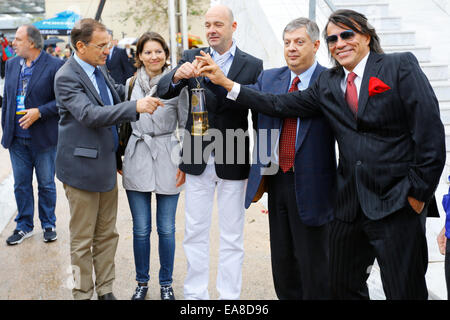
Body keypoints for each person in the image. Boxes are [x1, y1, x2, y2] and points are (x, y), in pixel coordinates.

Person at [197, 9, 446, 299]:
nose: (339, 43)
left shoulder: (399, 66)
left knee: (403, 290)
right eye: (333, 39)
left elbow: (430, 135)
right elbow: (278, 104)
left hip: (397, 203)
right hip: (349, 207)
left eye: (346, 35)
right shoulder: (328, 82)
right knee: (341, 286)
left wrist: (416, 195)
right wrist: (227, 83)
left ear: (366, 36)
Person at [157, 4, 263, 300]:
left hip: (234, 155)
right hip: (196, 155)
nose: (212, 29)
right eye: (208, 25)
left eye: (218, 24)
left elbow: (257, 111)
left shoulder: (252, 65)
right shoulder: (191, 57)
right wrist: (177, 75)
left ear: (233, 27)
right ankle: (195, 296)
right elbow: (164, 90)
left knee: (232, 236)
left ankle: (229, 297)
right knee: (194, 232)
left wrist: (260, 164)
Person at [54, 18, 163, 300]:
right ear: (80, 46)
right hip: (81, 172)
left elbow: (117, 95)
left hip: (105, 167)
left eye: (109, 44)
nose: (107, 51)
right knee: (81, 242)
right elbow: (89, 114)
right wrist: (135, 107)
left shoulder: (98, 70)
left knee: (107, 235)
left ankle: (105, 290)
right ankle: (80, 292)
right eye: (102, 46)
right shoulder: (66, 76)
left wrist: (164, 80)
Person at [245, 17, 336, 300]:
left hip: (315, 184)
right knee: (282, 261)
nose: (292, 49)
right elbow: (258, 116)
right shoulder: (269, 79)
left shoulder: (330, 81)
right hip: (278, 181)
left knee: (314, 263)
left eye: (299, 42)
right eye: (287, 43)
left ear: (316, 45)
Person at [122, 31, 188, 300]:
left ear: (166, 54)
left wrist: (186, 159)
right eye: (147, 52)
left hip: (167, 153)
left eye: (158, 51)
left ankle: (166, 283)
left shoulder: (176, 83)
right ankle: (141, 282)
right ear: (139, 56)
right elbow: (123, 120)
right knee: (140, 228)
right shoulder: (129, 83)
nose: (153, 56)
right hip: (137, 152)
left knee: (167, 228)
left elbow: (185, 124)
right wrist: (120, 155)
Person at [1, 24, 64, 245]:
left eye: (17, 39)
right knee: (21, 184)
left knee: (46, 183)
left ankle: (48, 223)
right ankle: (24, 225)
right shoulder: (10, 65)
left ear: (31, 42)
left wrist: (40, 112)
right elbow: (8, 99)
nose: (12, 43)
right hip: (16, 139)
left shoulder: (56, 65)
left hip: (44, 138)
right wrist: (6, 129)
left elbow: (63, 101)